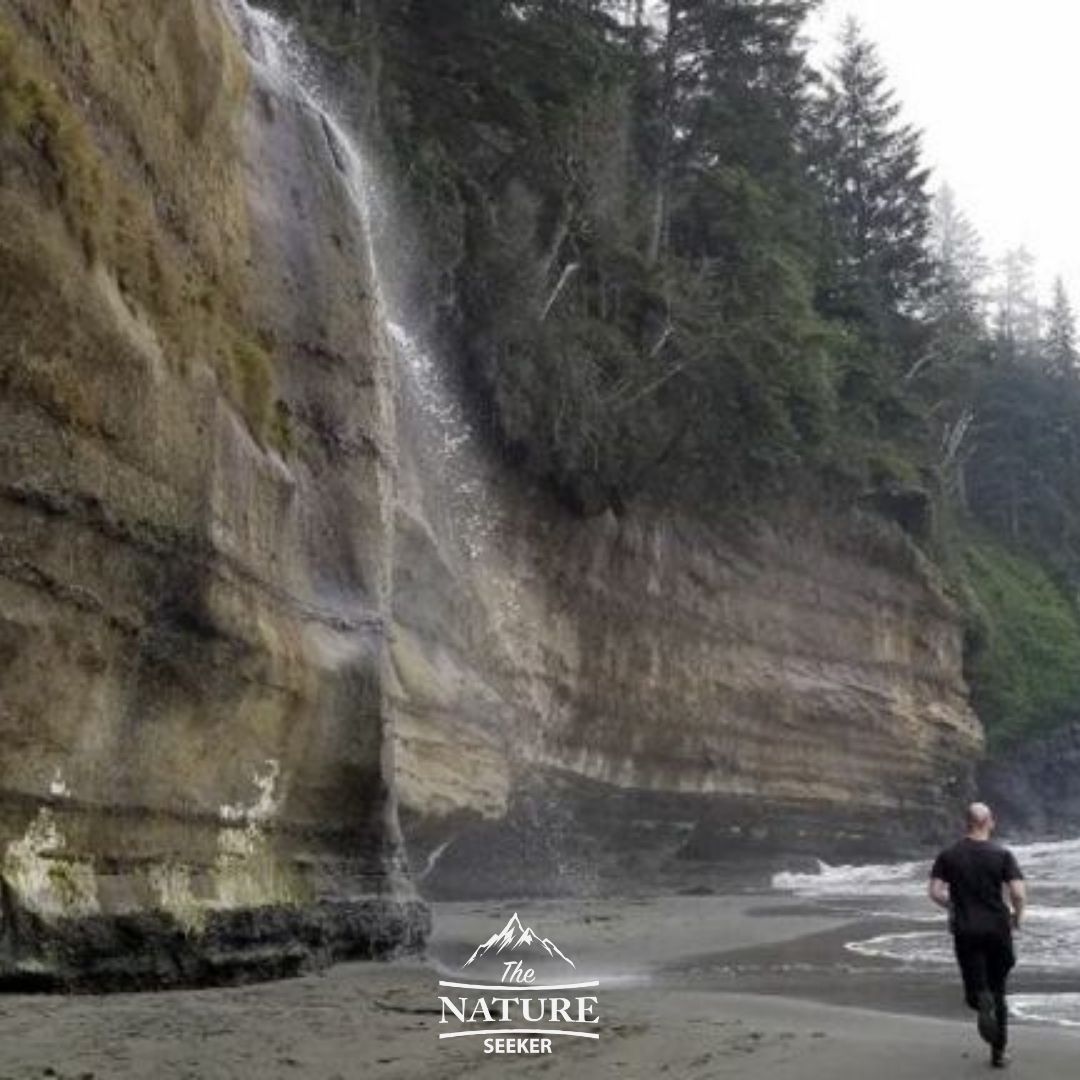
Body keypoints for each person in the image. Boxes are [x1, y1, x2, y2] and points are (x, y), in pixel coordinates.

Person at [929, 802, 1026, 1068]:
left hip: (966, 929)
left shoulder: (948, 855)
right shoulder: (1002, 854)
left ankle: (979, 997)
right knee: (999, 992)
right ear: (990, 822)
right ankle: (998, 1054)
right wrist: (1018, 916)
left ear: (967, 822)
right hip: (997, 929)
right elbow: (1017, 893)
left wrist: (954, 905)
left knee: (977, 990)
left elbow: (935, 892)